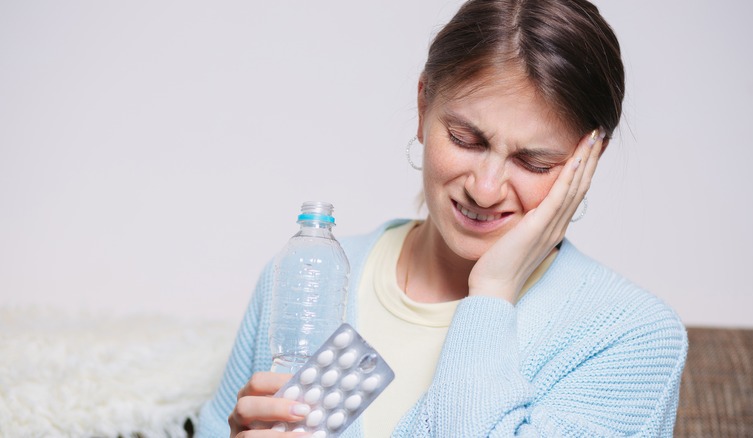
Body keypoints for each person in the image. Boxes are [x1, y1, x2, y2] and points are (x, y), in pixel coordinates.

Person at [197, 0, 688, 436]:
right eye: (466, 139)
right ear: (422, 105)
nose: (486, 188)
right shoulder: (308, 272)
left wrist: (492, 293)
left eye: (533, 163)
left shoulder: (630, 339)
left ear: (588, 161)